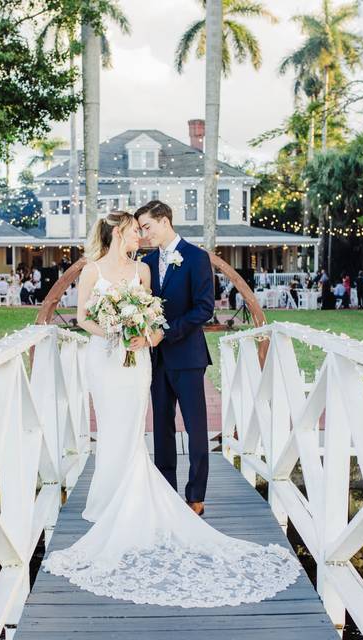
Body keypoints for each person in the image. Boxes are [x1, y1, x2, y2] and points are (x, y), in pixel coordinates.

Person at [40, 208, 299, 607]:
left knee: (194, 430)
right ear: (118, 234)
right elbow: (84, 317)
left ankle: (193, 497)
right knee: (140, 429)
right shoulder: (109, 268)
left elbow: (200, 309)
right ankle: (132, 494)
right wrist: (117, 330)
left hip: (173, 353)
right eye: (134, 230)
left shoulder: (186, 259)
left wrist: (150, 332)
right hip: (119, 357)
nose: (141, 235)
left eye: (145, 228)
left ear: (163, 221)